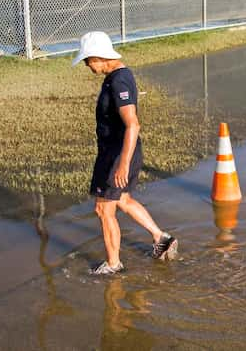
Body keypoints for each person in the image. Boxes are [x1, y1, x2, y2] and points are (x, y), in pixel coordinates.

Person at [73, 31, 178, 275]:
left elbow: (133, 124)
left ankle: (113, 265)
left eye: (88, 60)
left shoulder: (118, 81)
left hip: (117, 155)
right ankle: (161, 238)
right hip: (119, 152)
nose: (87, 65)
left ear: (99, 56)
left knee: (103, 209)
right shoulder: (119, 75)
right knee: (123, 200)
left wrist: (122, 165)